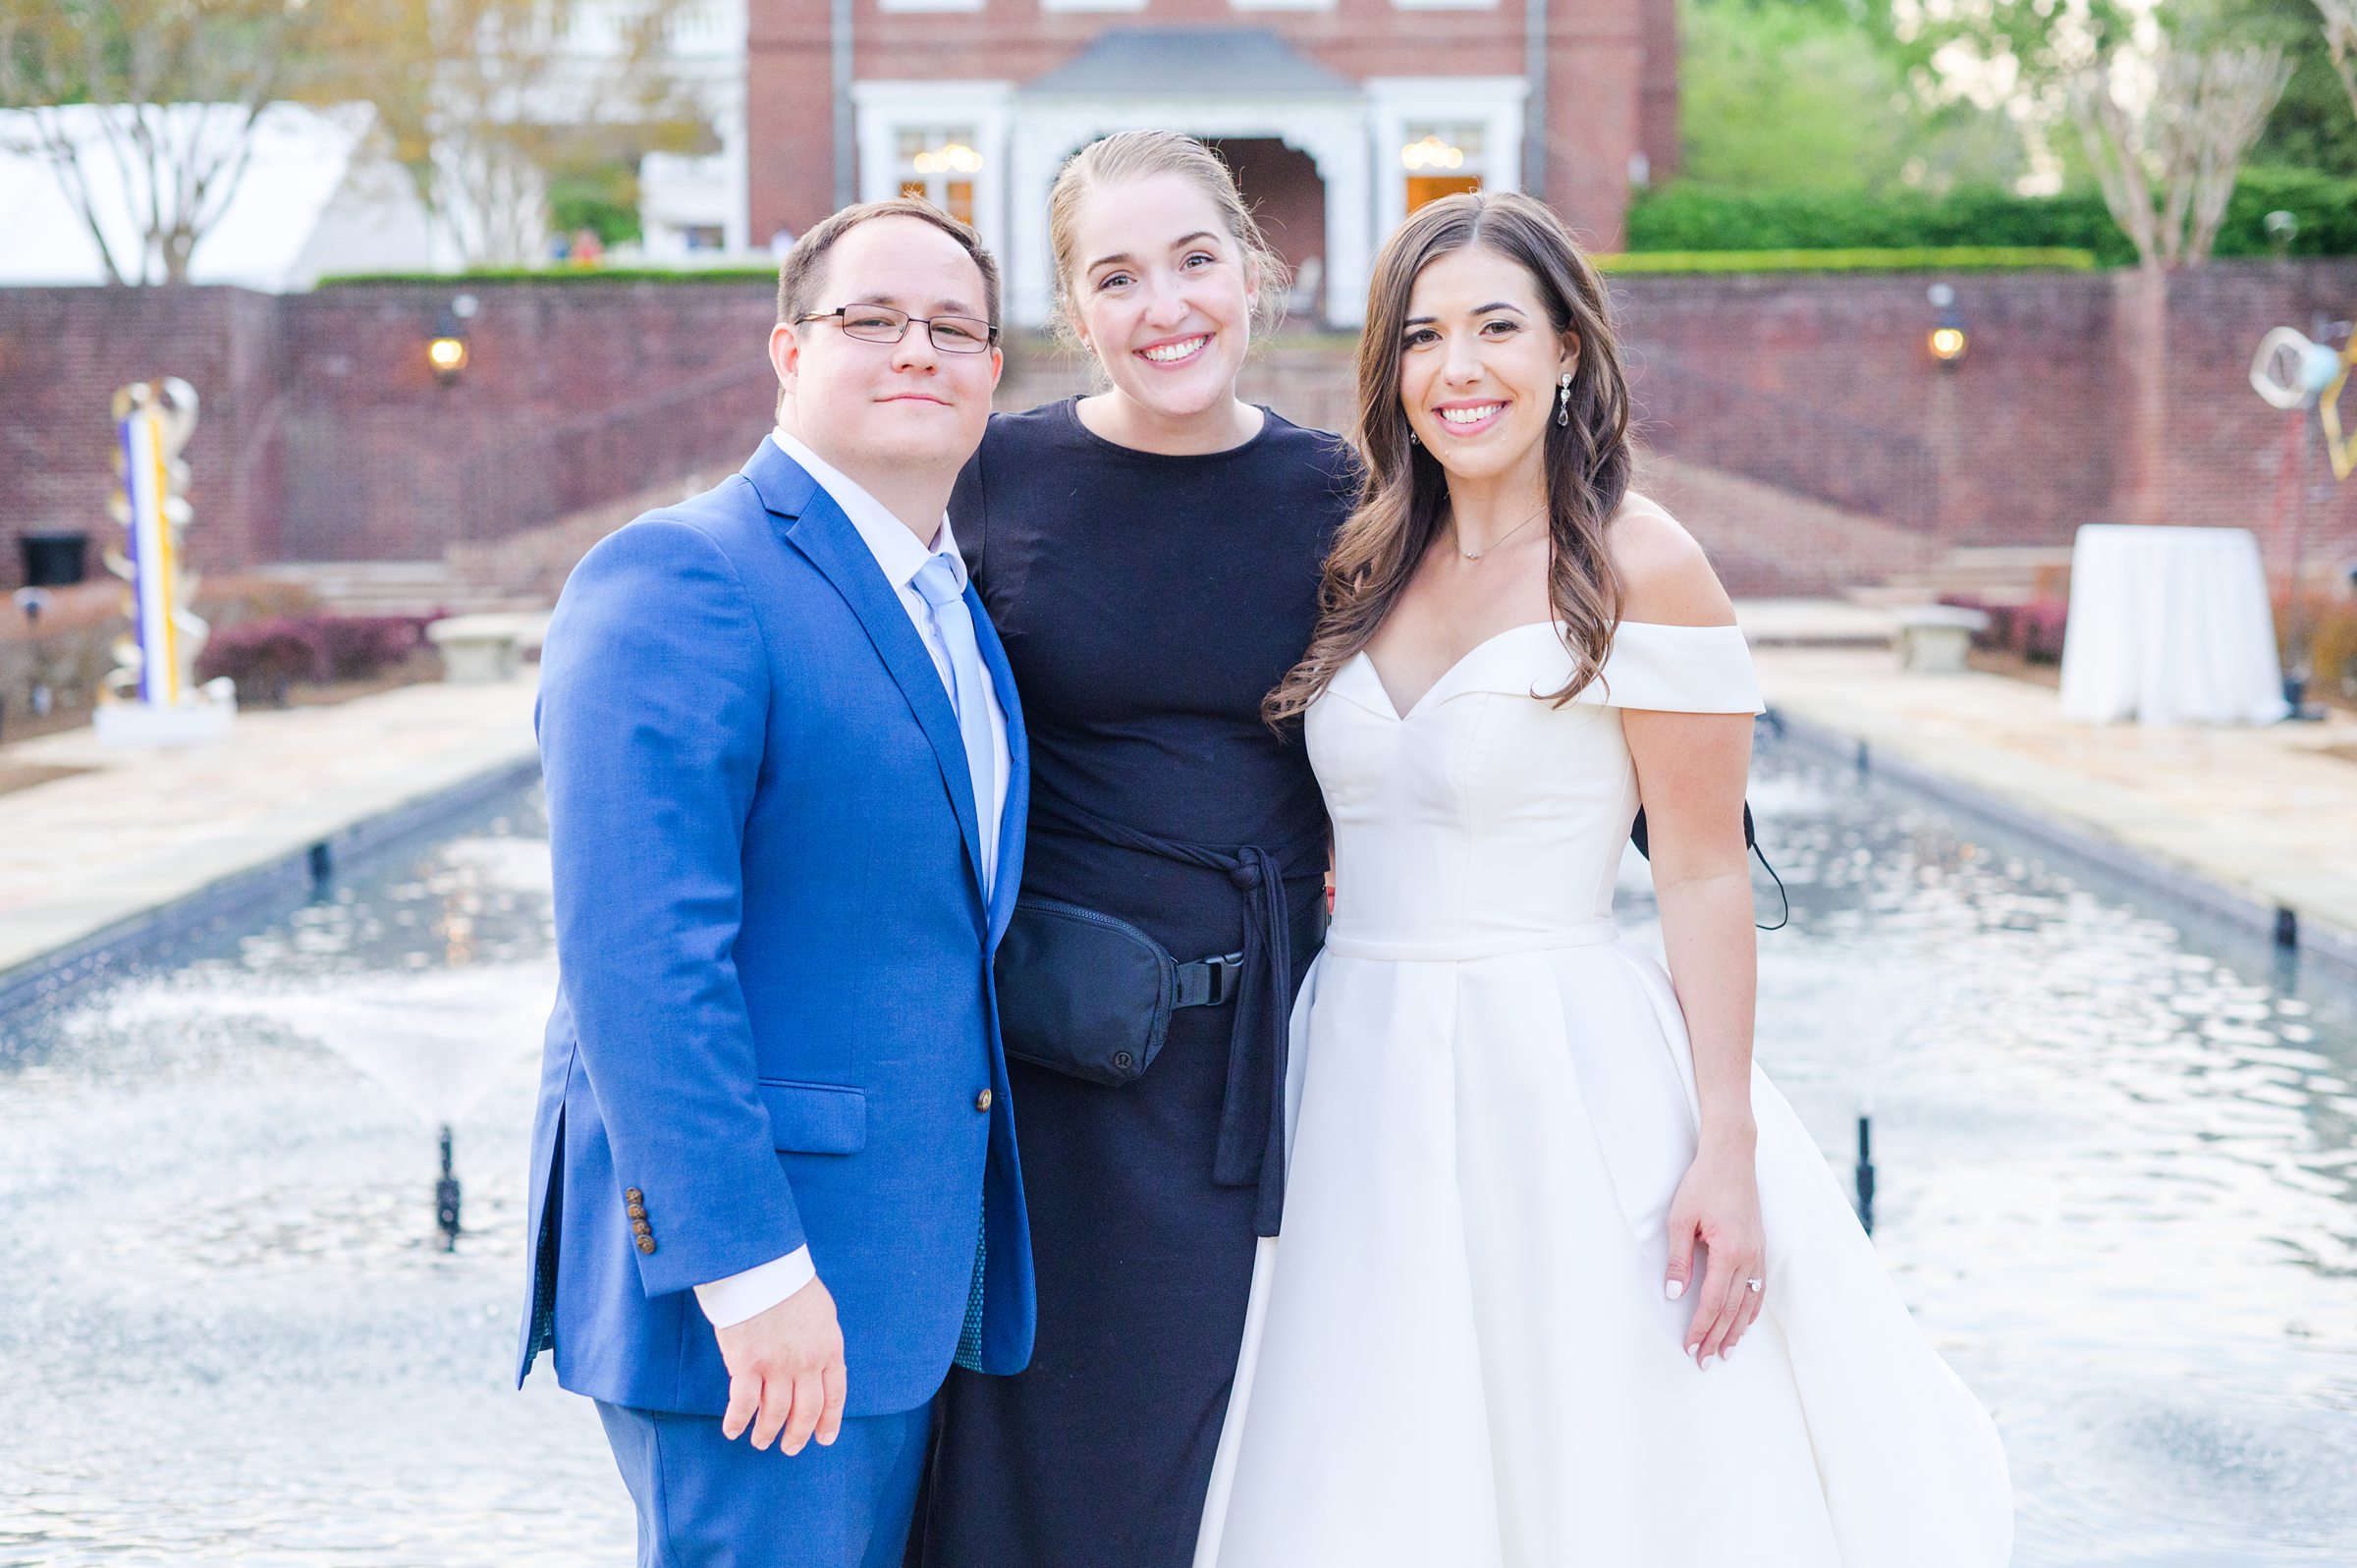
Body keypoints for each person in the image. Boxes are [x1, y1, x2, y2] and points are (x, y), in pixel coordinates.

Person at [1192, 190, 2013, 1566]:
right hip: (1353, 1068)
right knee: (1369, 1444)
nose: (1460, 370)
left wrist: (1729, 1147)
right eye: (1425, 336)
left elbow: (1700, 876)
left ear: (1568, 347)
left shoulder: (1642, 564)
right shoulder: (1364, 561)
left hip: (1558, 1070)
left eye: (1498, 327)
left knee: (1593, 1451)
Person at [517, 196, 1034, 1568]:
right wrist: (749, 1270)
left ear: (992, 372)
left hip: (906, 1280)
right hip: (761, 1296)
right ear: (788, 351)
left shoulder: (952, 608)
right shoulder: (682, 575)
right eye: (871, 319)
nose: (914, 347)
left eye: (953, 325)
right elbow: (637, 962)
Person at [909, 132, 1355, 1568]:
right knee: (1045, 1465)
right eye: (1118, 275)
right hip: (1057, 1072)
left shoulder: (1338, 494)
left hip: (1270, 1060)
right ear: (1074, 309)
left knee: (1245, 1465)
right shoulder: (994, 477)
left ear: (1253, 272)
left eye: (1194, 259)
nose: (1165, 305)